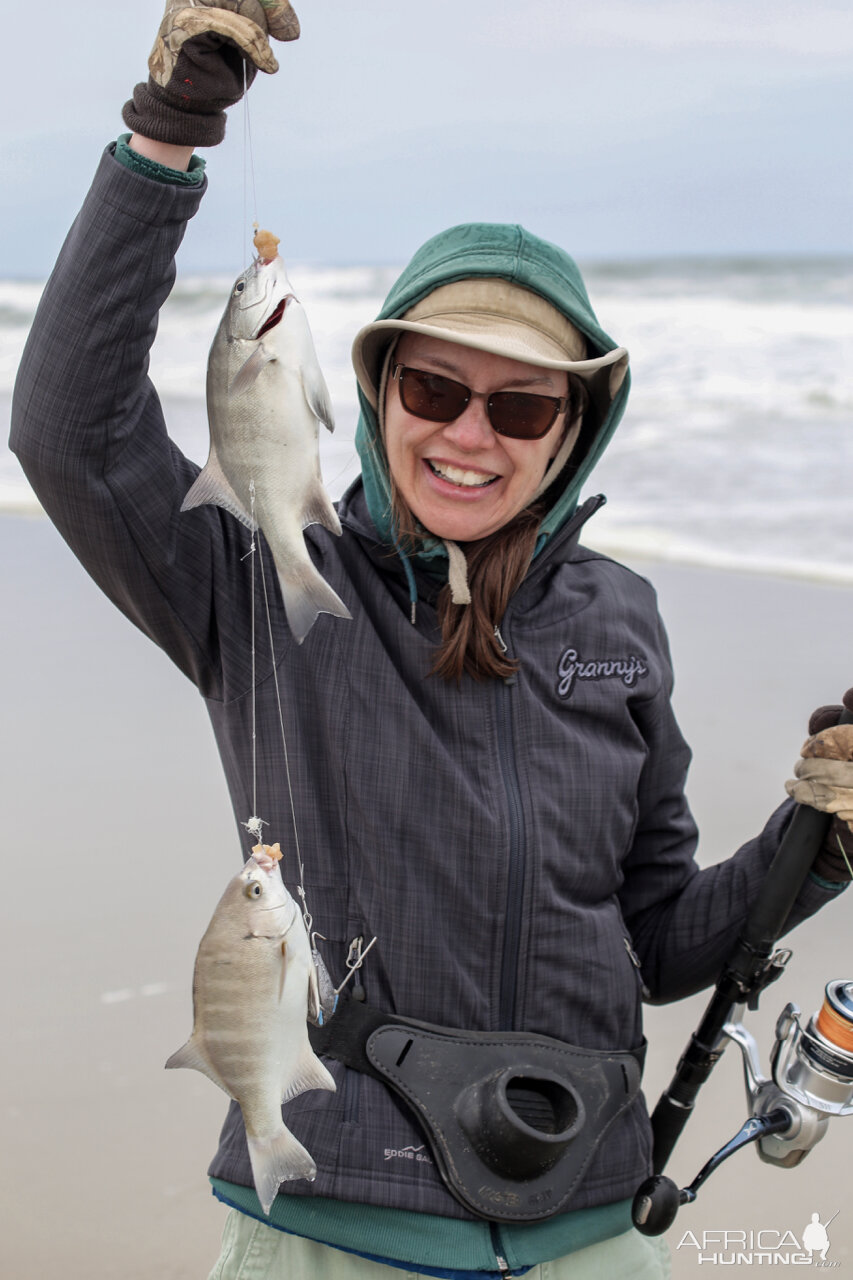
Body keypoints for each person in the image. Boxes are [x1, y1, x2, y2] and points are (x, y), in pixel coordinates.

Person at [10, 5, 853, 1278]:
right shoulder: (261, 582)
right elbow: (70, 430)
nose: (472, 432)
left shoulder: (621, 618)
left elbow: (668, 939)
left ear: (573, 431)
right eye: (434, 388)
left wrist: (823, 836)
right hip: (329, 1222)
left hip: (593, 1223)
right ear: (372, 391)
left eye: (521, 401)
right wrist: (173, 128)